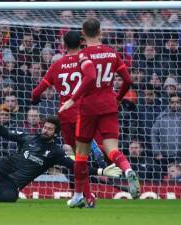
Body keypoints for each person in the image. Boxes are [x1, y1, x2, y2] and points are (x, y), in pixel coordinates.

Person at [0, 100, 122, 203]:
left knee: (10, 198)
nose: (44, 130)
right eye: (44, 127)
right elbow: (4, 132)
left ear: (55, 133)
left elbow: (75, 166)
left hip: (13, 182)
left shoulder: (55, 153)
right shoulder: (28, 137)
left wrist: (102, 172)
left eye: (49, 129)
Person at [59, 18, 140, 207]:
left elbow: (89, 78)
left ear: (82, 34)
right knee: (112, 149)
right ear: (100, 32)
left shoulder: (82, 55)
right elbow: (128, 81)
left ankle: (79, 195)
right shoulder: (112, 53)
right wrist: (118, 98)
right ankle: (127, 170)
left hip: (88, 107)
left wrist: (72, 99)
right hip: (109, 104)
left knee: (81, 153)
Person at [32, 31, 104, 207]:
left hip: (65, 115)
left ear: (64, 45)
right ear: (81, 42)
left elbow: (36, 92)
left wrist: (35, 99)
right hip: (84, 113)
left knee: (78, 158)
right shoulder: (86, 62)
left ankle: (85, 196)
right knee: (82, 157)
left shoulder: (57, 65)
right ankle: (87, 193)